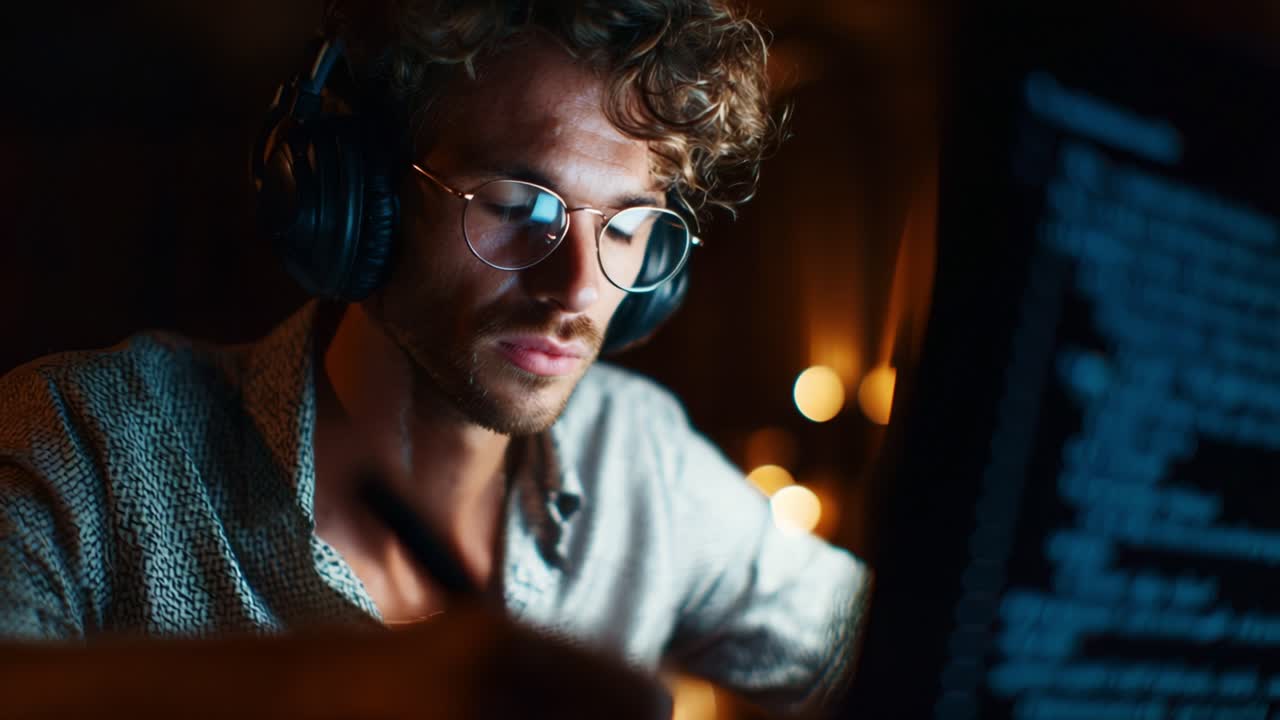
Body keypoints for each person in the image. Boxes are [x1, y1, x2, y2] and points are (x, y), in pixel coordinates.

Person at [0, 0, 868, 714]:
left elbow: (915, 640)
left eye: (629, 225)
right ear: (360, 200)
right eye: (519, 204)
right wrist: (339, 689)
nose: (575, 290)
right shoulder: (86, 450)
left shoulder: (643, 462)